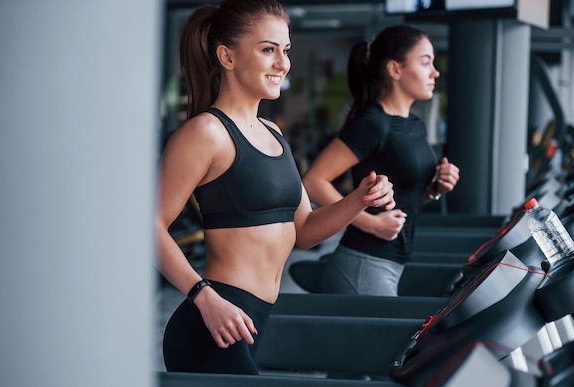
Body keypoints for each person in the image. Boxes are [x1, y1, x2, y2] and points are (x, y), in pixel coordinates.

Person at [155, 0, 396, 375]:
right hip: (214, 321)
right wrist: (203, 296)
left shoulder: (275, 134)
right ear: (227, 57)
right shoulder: (205, 133)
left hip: (257, 320)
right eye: (268, 49)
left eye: (285, 51)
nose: (282, 63)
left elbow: (305, 232)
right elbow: (150, 225)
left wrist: (357, 199)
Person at [302, 25, 460, 297]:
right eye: (425, 63)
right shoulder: (373, 123)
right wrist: (372, 224)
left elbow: (406, 196)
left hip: (392, 263)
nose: (435, 72)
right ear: (395, 70)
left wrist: (435, 188)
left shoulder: (415, 124)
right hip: (363, 263)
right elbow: (313, 182)